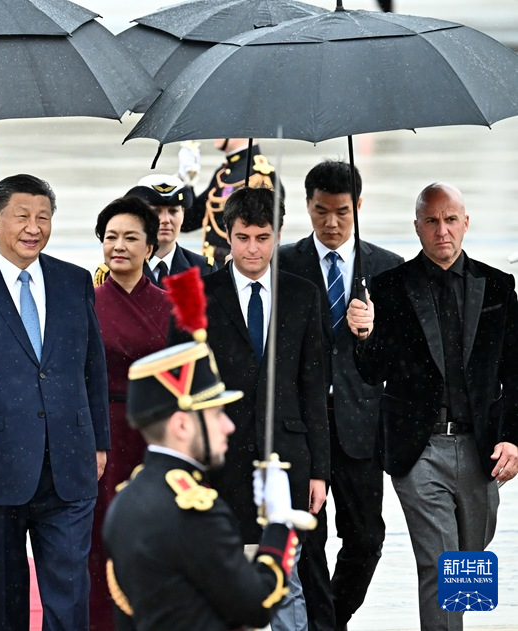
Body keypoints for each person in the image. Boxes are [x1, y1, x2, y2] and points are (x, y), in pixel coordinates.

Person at [0, 174, 110, 630]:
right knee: (4, 596)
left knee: (69, 593)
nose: (34, 228)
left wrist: (100, 441)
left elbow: (93, 366)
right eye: (22, 216)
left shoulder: (73, 281)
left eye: (43, 217)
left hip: (69, 460)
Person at [346, 182, 518, 631]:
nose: (442, 230)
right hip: (418, 449)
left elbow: (514, 371)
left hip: (481, 449)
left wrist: (513, 438)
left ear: (466, 223)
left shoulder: (498, 286)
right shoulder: (389, 288)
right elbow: (372, 371)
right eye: (432, 221)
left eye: (450, 219)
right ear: (417, 226)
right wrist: (363, 335)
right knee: (439, 562)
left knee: (468, 562)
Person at [168, 187, 329, 631]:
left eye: (262, 237)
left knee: (286, 575)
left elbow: (314, 387)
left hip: (286, 456)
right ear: (227, 235)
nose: (252, 249)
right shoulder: (197, 295)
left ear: (278, 234)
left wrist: (320, 471)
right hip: (218, 457)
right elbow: (180, 388)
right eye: (242, 238)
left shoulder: (302, 294)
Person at [103, 323, 299, 629]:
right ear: (181, 425)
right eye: (216, 415)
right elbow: (257, 605)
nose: (229, 426)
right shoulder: (194, 511)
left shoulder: (126, 500)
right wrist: (278, 525)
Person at [279, 160, 403, 631]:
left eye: (342, 212)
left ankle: (328, 621)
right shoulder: (283, 264)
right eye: (321, 211)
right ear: (307, 207)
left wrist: (370, 333)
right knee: (308, 539)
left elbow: (400, 358)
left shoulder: (387, 268)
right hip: (300, 425)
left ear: (359, 207)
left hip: (359, 425)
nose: (331, 223)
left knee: (367, 539)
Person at [88, 197, 171, 630]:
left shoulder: (172, 305)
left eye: (130, 238)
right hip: (102, 435)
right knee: (100, 538)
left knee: (153, 537)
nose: (118, 246)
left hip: (154, 436)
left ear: (150, 247)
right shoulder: (84, 301)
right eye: (111, 237)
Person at [179, 138, 283, 262]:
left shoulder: (258, 173)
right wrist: (187, 183)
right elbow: (188, 222)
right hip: (217, 267)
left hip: (239, 266)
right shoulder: (223, 173)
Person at [123, 174, 216, 288]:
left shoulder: (203, 269)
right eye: (156, 211)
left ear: (183, 213)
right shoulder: (120, 267)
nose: (166, 220)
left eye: (173, 211)